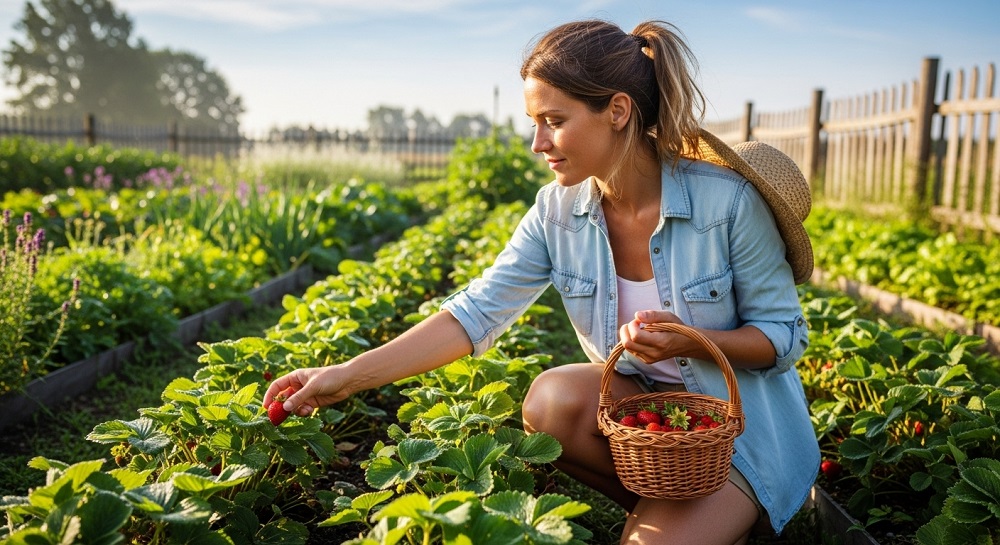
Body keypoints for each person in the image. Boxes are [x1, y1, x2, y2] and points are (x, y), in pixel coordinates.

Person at [265, 18, 819, 545]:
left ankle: (725, 510)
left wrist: (693, 341)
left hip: (739, 436)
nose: (538, 142)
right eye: (534, 122)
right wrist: (346, 377)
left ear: (618, 111)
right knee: (553, 400)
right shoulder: (557, 212)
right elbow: (477, 311)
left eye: (553, 120)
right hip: (646, 423)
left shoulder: (727, 204)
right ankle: (680, 509)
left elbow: (785, 336)